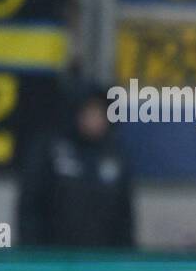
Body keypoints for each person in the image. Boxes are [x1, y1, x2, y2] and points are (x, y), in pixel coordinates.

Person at [16, 87, 134, 248]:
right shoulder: (50, 150)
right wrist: (32, 251)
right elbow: (30, 207)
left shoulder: (115, 156)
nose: (95, 120)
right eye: (90, 113)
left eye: (101, 114)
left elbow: (125, 215)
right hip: (53, 257)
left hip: (102, 261)